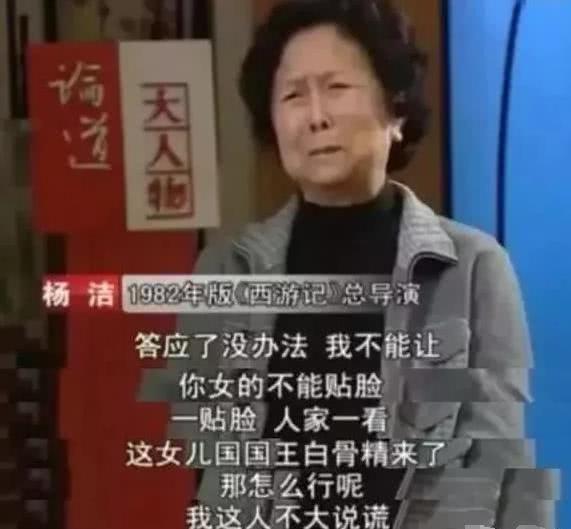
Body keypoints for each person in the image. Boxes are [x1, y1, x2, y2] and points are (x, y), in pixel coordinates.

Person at [140, 1, 557, 528]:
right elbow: (211, 470)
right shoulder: (224, 271)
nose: (316, 116)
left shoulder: (473, 268)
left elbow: (502, 477)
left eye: (337, 87)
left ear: (396, 110)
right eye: (293, 95)